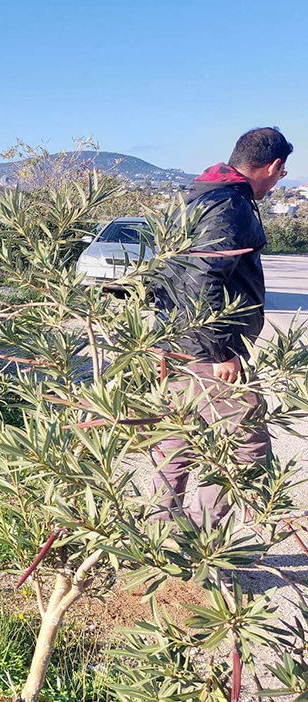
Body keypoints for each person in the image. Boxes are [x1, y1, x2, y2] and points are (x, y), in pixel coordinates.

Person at [151, 127, 292, 528]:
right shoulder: (227, 205)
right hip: (204, 348)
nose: (278, 181)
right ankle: (200, 537)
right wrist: (222, 351)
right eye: (281, 175)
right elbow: (202, 279)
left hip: (176, 339)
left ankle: (160, 534)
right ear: (274, 166)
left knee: (179, 434)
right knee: (247, 443)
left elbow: (165, 272)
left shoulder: (195, 195)